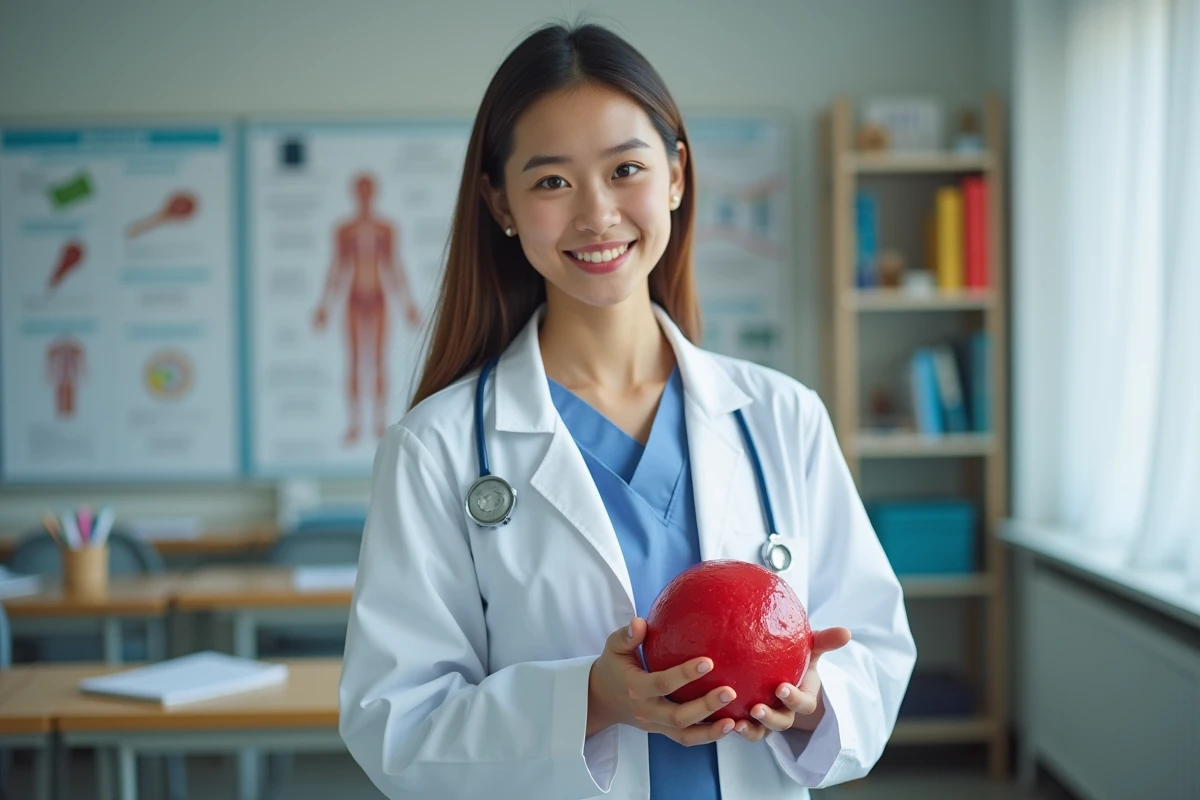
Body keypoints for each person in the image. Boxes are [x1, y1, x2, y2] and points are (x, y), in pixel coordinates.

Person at [339, 21, 916, 800]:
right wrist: (587, 702)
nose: (597, 214)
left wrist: (815, 703)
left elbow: (873, 648)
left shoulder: (782, 417)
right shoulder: (435, 450)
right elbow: (395, 724)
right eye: (552, 182)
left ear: (676, 176)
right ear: (500, 202)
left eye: (626, 169)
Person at [313, 173, 422, 445]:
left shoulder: (385, 228)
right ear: (355, 193)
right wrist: (325, 305)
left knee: (378, 360)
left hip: (378, 297)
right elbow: (337, 267)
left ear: (373, 193)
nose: (364, 195)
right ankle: (355, 423)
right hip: (354, 297)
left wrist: (407, 304)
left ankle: (379, 422)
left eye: (367, 190)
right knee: (354, 360)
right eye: (360, 190)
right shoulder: (345, 229)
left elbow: (393, 266)